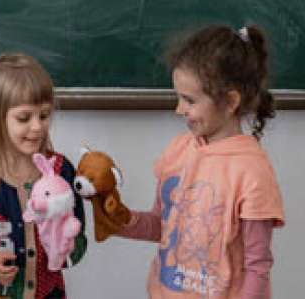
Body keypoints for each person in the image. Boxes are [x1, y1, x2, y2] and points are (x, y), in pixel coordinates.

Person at [114, 25, 283, 298]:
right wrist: (115, 219)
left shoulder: (252, 172)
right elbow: (161, 226)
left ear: (230, 102)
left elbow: (257, 268)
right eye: (178, 97)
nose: (179, 109)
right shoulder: (178, 151)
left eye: (189, 100)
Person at [0, 52, 86, 298]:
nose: (37, 126)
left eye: (44, 115)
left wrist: (66, 248)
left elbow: (78, 235)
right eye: (24, 117)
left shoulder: (61, 171)